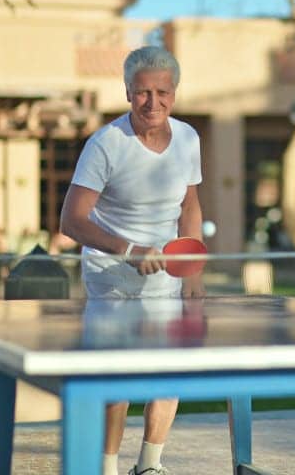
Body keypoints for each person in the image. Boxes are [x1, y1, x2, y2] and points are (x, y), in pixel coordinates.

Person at [60, 45, 204, 475]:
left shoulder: (189, 138)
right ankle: (105, 468)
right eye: (143, 92)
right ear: (127, 92)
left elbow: (190, 203)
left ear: (173, 94)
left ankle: (149, 466)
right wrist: (127, 250)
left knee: (167, 374)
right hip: (111, 277)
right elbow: (72, 220)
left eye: (162, 92)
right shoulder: (105, 143)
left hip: (166, 277)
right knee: (117, 381)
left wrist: (192, 261)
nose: (152, 102)